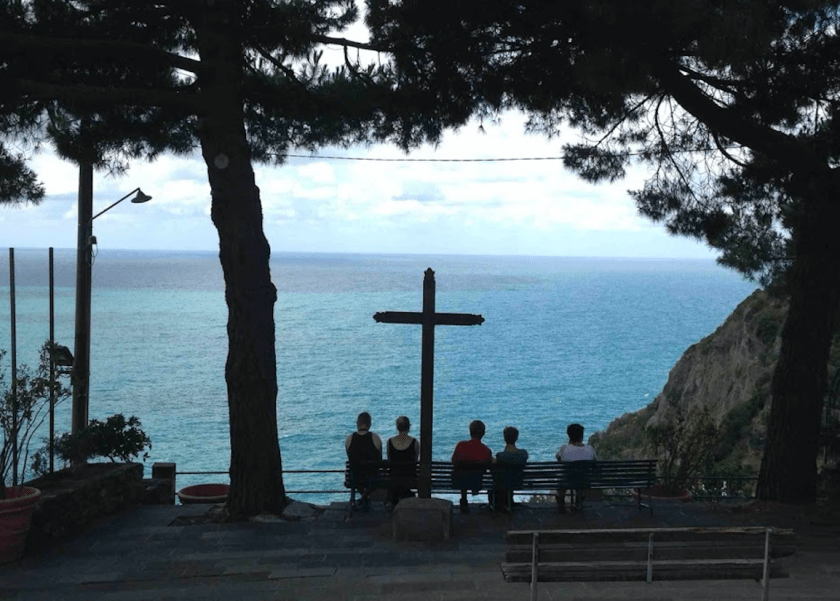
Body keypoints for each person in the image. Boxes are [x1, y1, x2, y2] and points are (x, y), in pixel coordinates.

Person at [451, 420, 493, 513]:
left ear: (470, 432)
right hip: (477, 483)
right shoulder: (486, 450)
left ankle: (464, 499)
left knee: (462, 473)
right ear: (483, 433)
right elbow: (490, 466)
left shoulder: (461, 446)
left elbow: (454, 461)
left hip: (459, 482)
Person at [555, 422, 597, 513]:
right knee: (580, 478)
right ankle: (578, 503)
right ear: (582, 436)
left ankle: (561, 503)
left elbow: (558, 458)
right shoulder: (590, 449)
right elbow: (595, 463)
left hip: (567, 480)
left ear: (569, 436)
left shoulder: (564, 448)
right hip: (584, 480)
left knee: (565, 479)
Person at [345, 412, 383, 508]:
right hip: (372, 476)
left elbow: (350, 457)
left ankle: (363, 498)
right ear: (369, 424)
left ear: (357, 423)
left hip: (354, 477)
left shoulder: (350, 438)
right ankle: (364, 498)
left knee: (357, 476)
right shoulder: (375, 438)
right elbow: (380, 459)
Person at [386, 415, 420, 508]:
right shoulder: (415, 443)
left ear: (397, 427)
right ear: (409, 427)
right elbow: (415, 460)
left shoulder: (390, 442)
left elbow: (390, 459)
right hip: (410, 478)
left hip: (394, 478)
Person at [493, 426, 529, 512]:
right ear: (516, 438)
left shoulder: (500, 456)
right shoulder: (523, 454)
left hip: (503, 484)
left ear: (504, 438)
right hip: (518, 482)